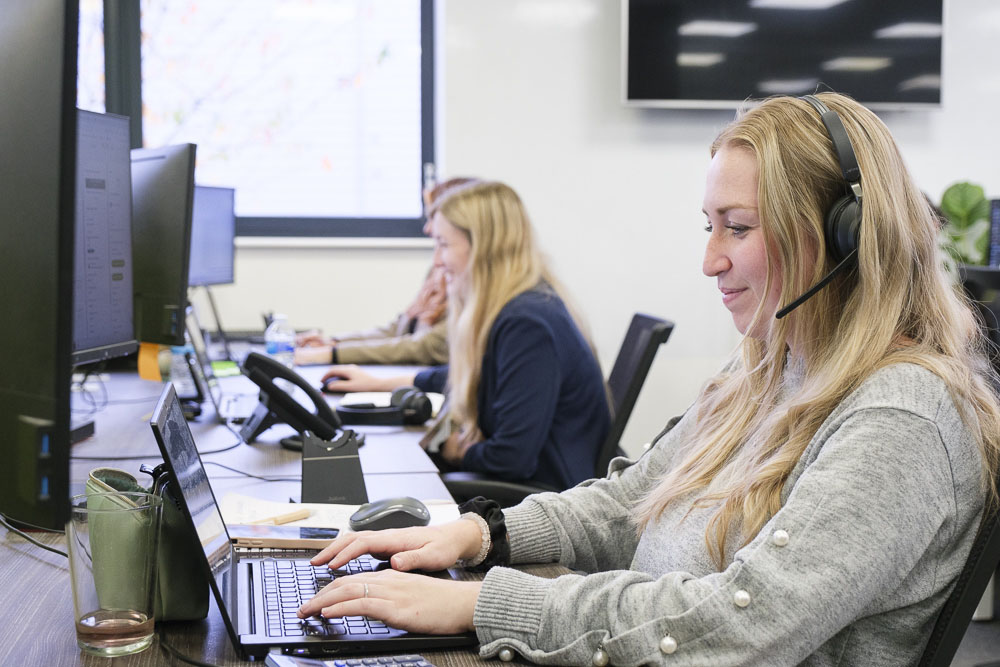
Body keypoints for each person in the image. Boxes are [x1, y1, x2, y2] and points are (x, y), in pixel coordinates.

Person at [297, 93, 1000, 665]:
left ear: (841, 235)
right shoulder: (771, 368)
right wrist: (482, 534)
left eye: (738, 227)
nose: (710, 260)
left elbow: (739, 627)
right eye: (709, 226)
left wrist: (481, 603)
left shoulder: (899, 418)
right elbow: (632, 501)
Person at [320, 180, 611, 490]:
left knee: (385, 478)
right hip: (527, 485)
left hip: (542, 498)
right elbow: (483, 375)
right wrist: (378, 383)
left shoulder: (527, 324)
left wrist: (454, 450)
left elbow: (511, 458)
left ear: (485, 247)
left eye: (444, 245)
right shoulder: (521, 305)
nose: (436, 261)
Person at [293, 178, 475, 367]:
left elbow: (425, 347)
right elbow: (397, 329)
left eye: (433, 217)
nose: (427, 227)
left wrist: (332, 354)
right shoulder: (438, 270)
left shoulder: (462, 279)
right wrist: (334, 342)